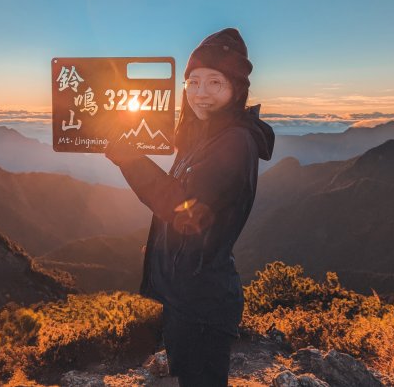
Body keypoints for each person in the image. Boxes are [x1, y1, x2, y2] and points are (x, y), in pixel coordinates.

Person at [105, 28, 275, 386]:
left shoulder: (235, 143)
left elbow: (183, 209)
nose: (201, 94)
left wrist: (131, 160)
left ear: (237, 89)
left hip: (203, 304)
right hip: (188, 297)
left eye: (215, 82)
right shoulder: (205, 137)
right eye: (193, 82)